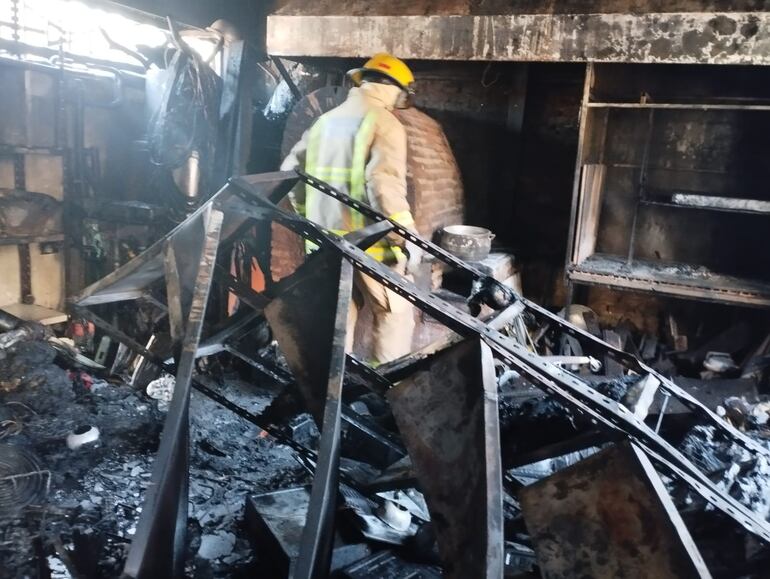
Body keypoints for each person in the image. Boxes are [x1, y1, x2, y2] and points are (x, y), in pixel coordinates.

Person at [280, 53, 420, 364]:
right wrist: (406, 237)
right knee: (394, 311)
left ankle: (333, 392)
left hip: (324, 238)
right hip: (370, 244)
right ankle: (390, 394)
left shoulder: (323, 122)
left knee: (338, 316)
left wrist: (308, 214)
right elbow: (384, 185)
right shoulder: (385, 122)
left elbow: (290, 173)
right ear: (395, 88)